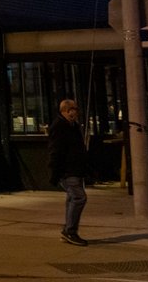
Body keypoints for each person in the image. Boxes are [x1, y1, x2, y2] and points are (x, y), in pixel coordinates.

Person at [48, 98, 90, 246]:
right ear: (67, 111)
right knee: (79, 197)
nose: (77, 112)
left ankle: (68, 230)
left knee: (72, 198)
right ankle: (70, 231)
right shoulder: (60, 126)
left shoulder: (72, 125)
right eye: (74, 109)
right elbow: (56, 150)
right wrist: (56, 171)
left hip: (74, 169)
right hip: (67, 170)